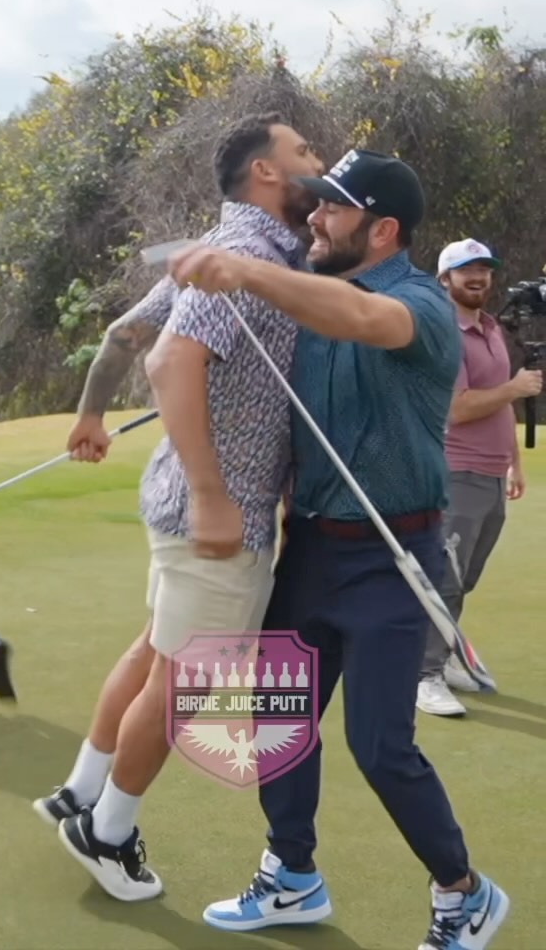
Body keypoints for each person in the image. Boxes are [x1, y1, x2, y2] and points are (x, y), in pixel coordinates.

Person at [168, 150, 510, 950]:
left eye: (332, 207)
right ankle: (292, 875)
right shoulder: (310, 288)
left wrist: (246, 273)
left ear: (382, 229)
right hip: (313, 549)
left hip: (392, 556)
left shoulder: (420, 305)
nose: (315, 218)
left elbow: (362, 320)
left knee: (381, 748)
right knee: (274, 717)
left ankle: (464, 893)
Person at [33, 112, 323, 901]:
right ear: (266, 172)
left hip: (183, 506)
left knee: (158, 654)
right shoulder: (244, 255)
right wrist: (212, 497)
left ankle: (80, 791)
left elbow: (124, 335)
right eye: (304, 151)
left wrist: (91, 415)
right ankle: (105, 832)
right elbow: (168, 359)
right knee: (188, 679)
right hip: (216, 515)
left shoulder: (229, 249)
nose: (318, 161)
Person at [417, 238, 543, 717]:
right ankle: (423, 674)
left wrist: (513, 461)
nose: (478, 278)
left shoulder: (489, 328)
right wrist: (515, 387)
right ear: (445, 278)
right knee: (445, 579)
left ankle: (444, 654)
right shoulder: (443, 332)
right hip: (456, 470)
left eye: (484, 270)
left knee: (464, 577)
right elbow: (457, 408)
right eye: (467, 270)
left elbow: (500, 400)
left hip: (489, 474)